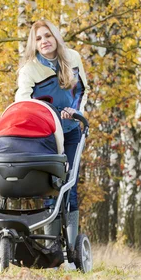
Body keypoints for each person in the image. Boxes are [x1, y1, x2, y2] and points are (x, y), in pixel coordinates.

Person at [15, 19, 89, 251]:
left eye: (47, 36)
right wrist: (44, 115)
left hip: (70, 131)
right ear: (33, 44)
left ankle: (71, 248)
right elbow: (22, 102)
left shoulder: (73, 58)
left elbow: (82, 90)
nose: (44, 41)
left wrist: (76, 111)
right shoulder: (30, 70)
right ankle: (52, 247)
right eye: (38, 38)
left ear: (55, 37)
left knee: (70, 185)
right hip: (46, 135)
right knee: (52, 185)